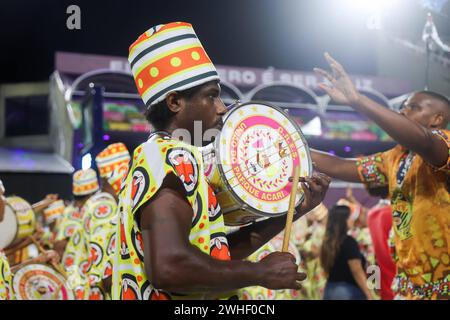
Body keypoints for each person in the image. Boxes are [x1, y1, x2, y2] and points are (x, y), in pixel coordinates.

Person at [112, 21, 331, 300]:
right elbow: (168, 267)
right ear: (174, 102)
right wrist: (258, 273)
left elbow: (214, 256)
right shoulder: (167, 158)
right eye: (211, 96)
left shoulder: (176, 158)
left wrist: (295, 208)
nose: (221, 108)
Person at [312, 52, 450, 300]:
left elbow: (425, 141)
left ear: (437, 119)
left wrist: (357, 100)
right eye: (403, 107)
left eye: (413, 107)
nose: (403, 111)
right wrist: (289, 141)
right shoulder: (393, 158)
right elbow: (339, 166)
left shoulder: (442, 145)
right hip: (407, 290)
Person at [320, 205, 373, 300]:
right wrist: (368, 294)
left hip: (329, 289)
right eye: (350, 217)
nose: (352, 219)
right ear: (343, 220)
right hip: (347, 291)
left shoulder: (328, 242)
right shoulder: (348, 242)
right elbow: (356, 270)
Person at [367, 196, 396, 300]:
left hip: (384, 286)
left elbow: (371, 258)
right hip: (399, 285)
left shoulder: (371, 214)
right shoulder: (395, 213)